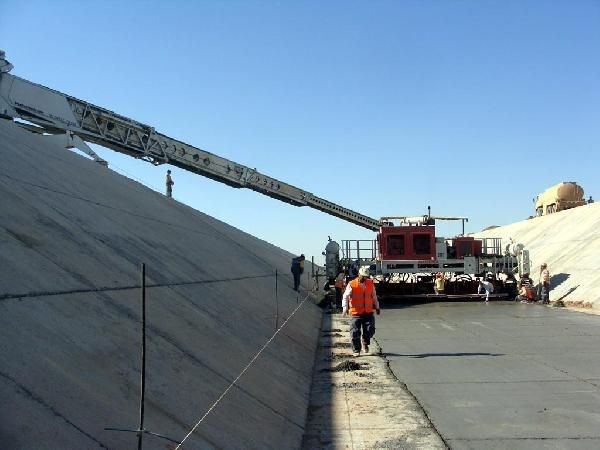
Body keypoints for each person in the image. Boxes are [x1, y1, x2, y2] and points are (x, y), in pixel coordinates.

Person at [342, 266, 381, 357]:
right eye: (363, 276)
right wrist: (345, 308)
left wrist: (377, 307)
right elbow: (345, 297)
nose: (365, 278)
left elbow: (374, 296)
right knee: (355, 332)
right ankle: (356, 350)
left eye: (366, 277)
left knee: (370, 330)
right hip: (356, 313)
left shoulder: (370, 283)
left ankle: (365, 342)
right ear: (359, 275)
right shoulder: (352, 284)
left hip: (368, 312)